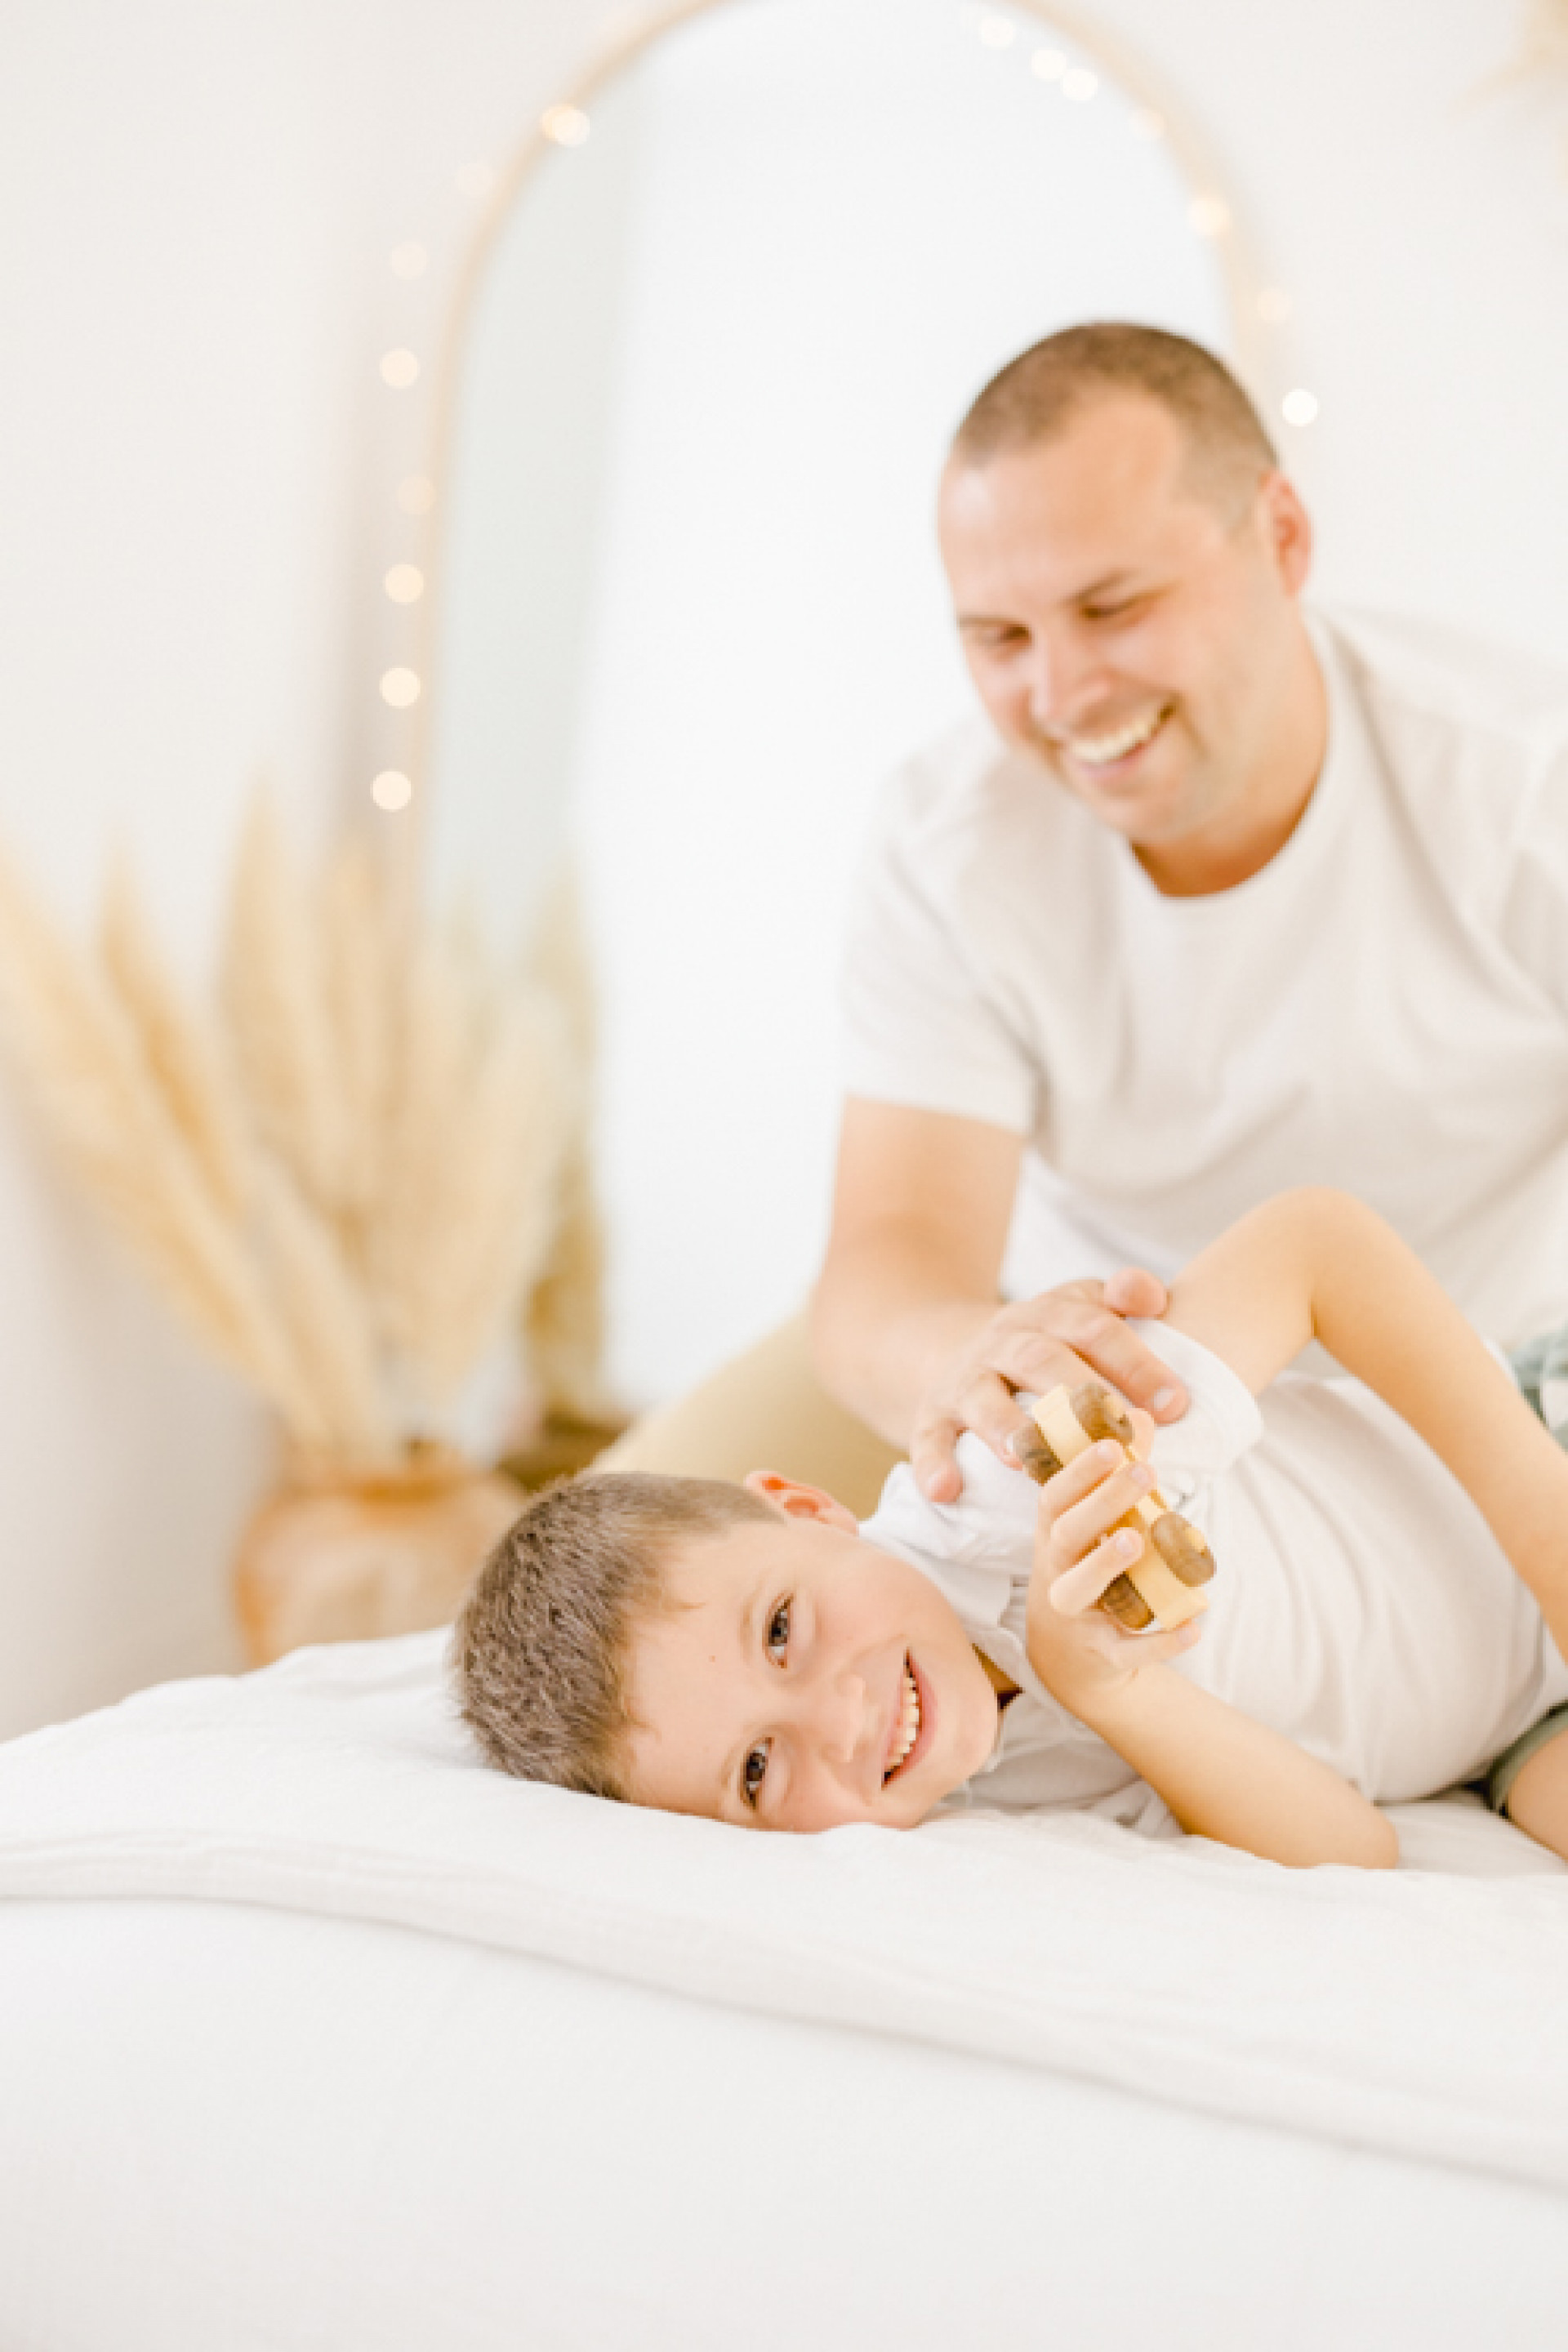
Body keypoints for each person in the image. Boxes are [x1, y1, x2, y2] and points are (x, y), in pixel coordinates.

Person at [812, 323, 1568, 1506]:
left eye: (1112, 608)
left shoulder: (1522, 781)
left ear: (1282, 537)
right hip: (1109, 1443)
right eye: (1001, 639)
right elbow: (888, 1259)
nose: (1061, 697)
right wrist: (980, 1361)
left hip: (1486, 1428)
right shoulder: (949, 842)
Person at [456, 1188, 1568, 1871]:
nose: (837, 1721)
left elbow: (1317, 1245)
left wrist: (1541, 1523)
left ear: (806, 1510)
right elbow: (1354, 1849)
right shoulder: (1009, 1804)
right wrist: (1111, 1694)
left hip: (1536, 1451)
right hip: (1516, 1733)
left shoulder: (1013, 1471)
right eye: (755, 1770)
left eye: (782, 1630)